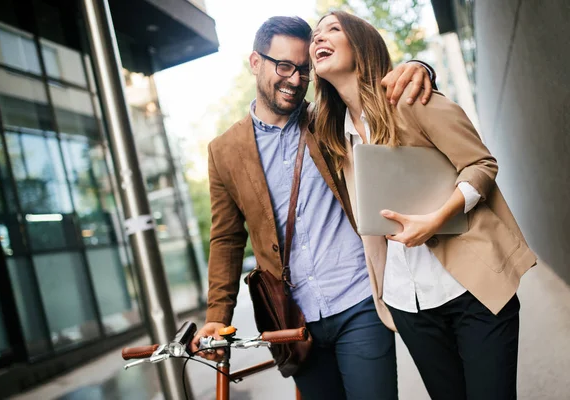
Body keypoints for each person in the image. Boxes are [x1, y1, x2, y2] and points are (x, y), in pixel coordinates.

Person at [188, 15, 436, 400]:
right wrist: (216, 319)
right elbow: (226, 239)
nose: (294, 79)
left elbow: (373, 92)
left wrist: (419, 67)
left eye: (303, 70)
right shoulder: (224, 152)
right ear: (256, 63)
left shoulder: (329, 119)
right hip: (293, 322)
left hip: (359, 301)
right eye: (283, 66)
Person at [310, 10, 537, 400]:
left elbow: (480, 164)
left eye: (332, 29)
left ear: (362, 44)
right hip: (408, 304)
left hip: (471, 291)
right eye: (314, 36)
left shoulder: (410, 99)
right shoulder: (336, 137)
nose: (318, 39)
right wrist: (384, 296)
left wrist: (439, 218)